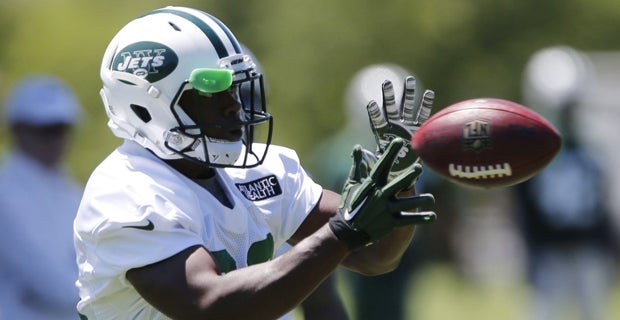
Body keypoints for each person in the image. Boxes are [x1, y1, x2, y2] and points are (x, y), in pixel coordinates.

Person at [73, 6, 437, 320]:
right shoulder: (124, 192)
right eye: (212, 91)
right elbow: (211, 306)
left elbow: (375, 258)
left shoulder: (263, 169)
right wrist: (341, 231)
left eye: (235, 87)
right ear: (146, 104)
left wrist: (398, 184)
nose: (234, 105)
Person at [309, 64, 437, 320]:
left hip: (405, 242)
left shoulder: (420, 154)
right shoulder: (337, 156)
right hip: (355, 239)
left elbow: (434, 199)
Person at [0, 75, 83, 319]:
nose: (55, 139)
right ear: (18, 130)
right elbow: (51, 285)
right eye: (45, 129)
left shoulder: (70, 189)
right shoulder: (5, 194)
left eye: (61, 129)